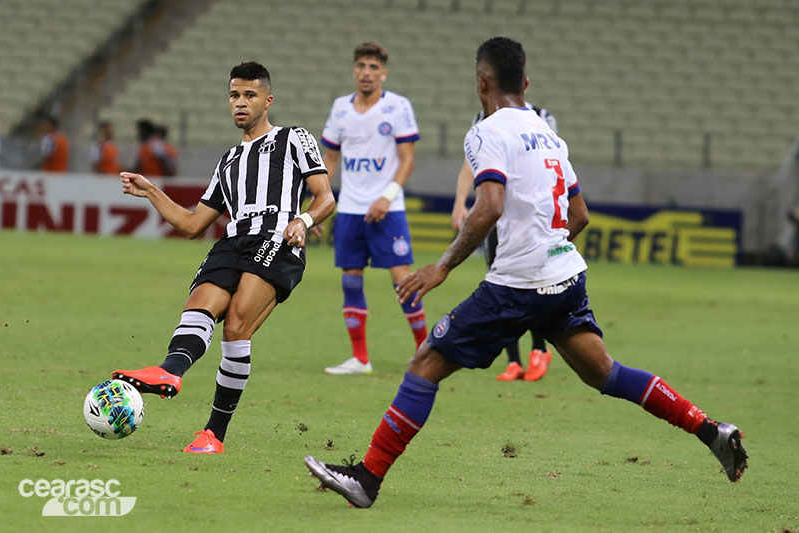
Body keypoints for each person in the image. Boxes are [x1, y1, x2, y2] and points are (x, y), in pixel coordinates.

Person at [304, 37, 748, 508]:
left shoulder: (486, 132)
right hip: (566, 277)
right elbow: (580, 215)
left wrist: (442, 266)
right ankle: (710, 430)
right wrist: (548, 250)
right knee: (605, 373)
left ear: (482, 83)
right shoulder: (548, 133)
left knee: (425, 364)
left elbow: (489, 206)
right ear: (526, 83)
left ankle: (367, 478)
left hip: (517, 284)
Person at [112, 61, 335, 454]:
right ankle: (170, 371)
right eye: (234, 95)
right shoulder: (228, 160)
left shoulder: (293, 137)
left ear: (268, 101)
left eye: (249, 95)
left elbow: (325, 197)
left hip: (277, 237)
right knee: (199, 306)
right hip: (233, 241)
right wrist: (150, 192)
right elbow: (193, 223)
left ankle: (213, 434)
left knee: (235, 328)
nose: (240, 102)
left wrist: (303, 220)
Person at [319, 41, 427, 375]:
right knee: (350, 280)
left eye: (373, 67)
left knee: (403, 282)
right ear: (354, 70)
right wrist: (318, 202)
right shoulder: (340, 108)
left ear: (383, 73)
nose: (367, 73)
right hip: (350, 209)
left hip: (388, 210)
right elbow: (330, 159)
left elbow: (407, 159)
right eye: (362, 66)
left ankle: (427, 353)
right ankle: (360, 359)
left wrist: (387, 196)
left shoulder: (398, 107)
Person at [451, 103, 558, 382]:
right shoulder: (481, 118)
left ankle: (539, 349)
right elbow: (469, 164)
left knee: (533, 279)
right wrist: (460, 202)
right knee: (499, 278)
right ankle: (513, 361)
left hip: (530, 215)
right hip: (498, 212)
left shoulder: (540, 117)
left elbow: (551, 163)